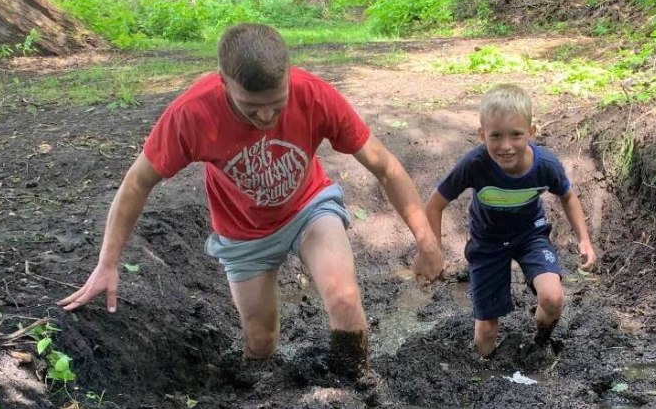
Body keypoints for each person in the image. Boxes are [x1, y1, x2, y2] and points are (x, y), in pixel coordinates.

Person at [59, 23, 443, 380]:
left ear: (289, 75)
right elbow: (137, 182)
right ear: (223, 81)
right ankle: (264, 399)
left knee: (344, 298)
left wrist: (426, 242)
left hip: (309, 209)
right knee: (260, 342)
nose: (266, 116)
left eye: (277, 102)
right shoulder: (192, 114)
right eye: (251, 106)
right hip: (243, 232)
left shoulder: (315, 94)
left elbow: (385, 166)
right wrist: (107, 263)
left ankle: (358, 388)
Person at [425, 84, 597, 358]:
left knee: (552, 298)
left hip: (530, 235)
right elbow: (434, 205)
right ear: (482, 134)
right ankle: (484, 368)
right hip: (487, 242)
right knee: (486, 332)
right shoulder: (474, 164)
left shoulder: (545, 165)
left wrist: (584, 239)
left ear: (531, 131)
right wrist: (433, 251)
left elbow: (567, 196)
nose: (506, 146)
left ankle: (539, 344)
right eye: (496, 136)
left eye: (516, 135)